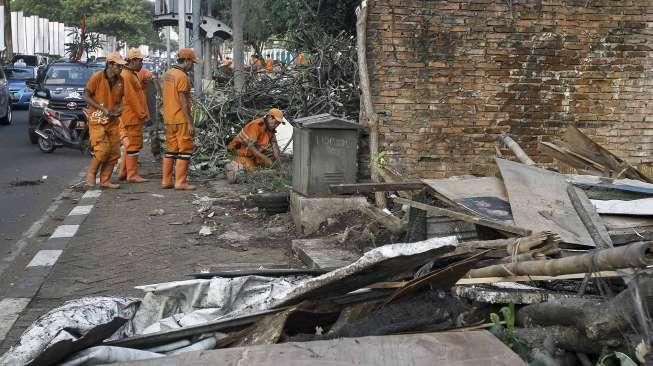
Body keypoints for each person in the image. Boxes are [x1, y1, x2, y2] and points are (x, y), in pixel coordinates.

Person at [161, 48, 201, 190]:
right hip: (181, 118)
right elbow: (183, 102)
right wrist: (190, 123)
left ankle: (166, 181)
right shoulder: (182, 77)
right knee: (185, 149)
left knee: (171, 149)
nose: (192, 66)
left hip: (169, 118)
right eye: (192, 62)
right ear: (187, 60)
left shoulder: (167, 74)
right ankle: (180, 182)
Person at [83, 53, 125, 189]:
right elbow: (86, 95)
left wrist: (119, 109)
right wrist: (101, 108)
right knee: (102, 150)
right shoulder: (97, 78)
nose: (120, 68)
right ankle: (91, 174)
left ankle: (105, 180)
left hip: (113, 120)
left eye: (121, 65)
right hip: (97, 119)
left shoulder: (121, 80)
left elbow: (121, 100)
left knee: (114, 152)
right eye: (118, 65)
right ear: (110, 64)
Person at [117, 48, 150, 183]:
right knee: (133, 146)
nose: (142, 64)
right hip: (131, 117)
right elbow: (132, 99)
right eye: (141, 61)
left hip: (130, 116)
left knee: (130, 145)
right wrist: (143, 115)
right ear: (134, 61)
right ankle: (132, 175)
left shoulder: (130, 74)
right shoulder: (127, 76)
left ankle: (124, 172)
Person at [227, 108, 288, 173]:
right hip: (238, 153)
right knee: (252, 171)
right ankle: (232, 166)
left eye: (278, 124)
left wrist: (280, 165)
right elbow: (251, 147)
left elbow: (275, 147)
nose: (276, 126)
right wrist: (265, 159)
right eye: (276, 123)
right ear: (270, 117)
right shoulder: (256, 125)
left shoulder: (270, 129)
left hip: (252, 155)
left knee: (273, 160)